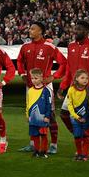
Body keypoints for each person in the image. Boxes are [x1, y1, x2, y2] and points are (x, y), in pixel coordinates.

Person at [16, 20, 66, 154]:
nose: (30, 30)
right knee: (32, 114)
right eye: (30, 28)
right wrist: (22, 74)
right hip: (30, 87)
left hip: (45, 87)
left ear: (40, 31)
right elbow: (19, 61)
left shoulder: (49, 47)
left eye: (33, 29)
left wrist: (53, 77)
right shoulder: (25, 46)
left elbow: (63, 63)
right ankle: (33, 144)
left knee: (50, 115)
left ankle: (53, 145)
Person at [60, 20, 89, 143]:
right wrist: (63, 85)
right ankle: (80, 135)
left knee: (86, 118)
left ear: (87, 31)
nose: (76, 31)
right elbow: (69, 68)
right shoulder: (71, 46)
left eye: (79, 29)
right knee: (64, 114)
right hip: (73, 89)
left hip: (87, 90)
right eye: (75, 29)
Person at [64, 69, 89, 161]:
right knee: (77, 136)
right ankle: (79, 153)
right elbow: (69, 104)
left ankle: (84, 155)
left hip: (87, 118)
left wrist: (85, 117)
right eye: (82, 78)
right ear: (76, 78)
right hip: (75, 118)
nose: (85, 80)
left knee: (85, 136)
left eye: (87, 78)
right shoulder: (71, 90)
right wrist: (76, 116)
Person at [26, 68, 53, 159]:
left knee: (43, 135)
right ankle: (36, 151)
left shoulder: (46, 91)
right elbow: (28, 104)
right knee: (35, 135)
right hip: (32, 118)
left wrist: (47, 116)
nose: (34, 80)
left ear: (41, 78)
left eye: (36, 78)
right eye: (32, 78)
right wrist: (27, 115)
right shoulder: (30, 90)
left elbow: (49, 105)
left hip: (43, 117)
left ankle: (43, 152)